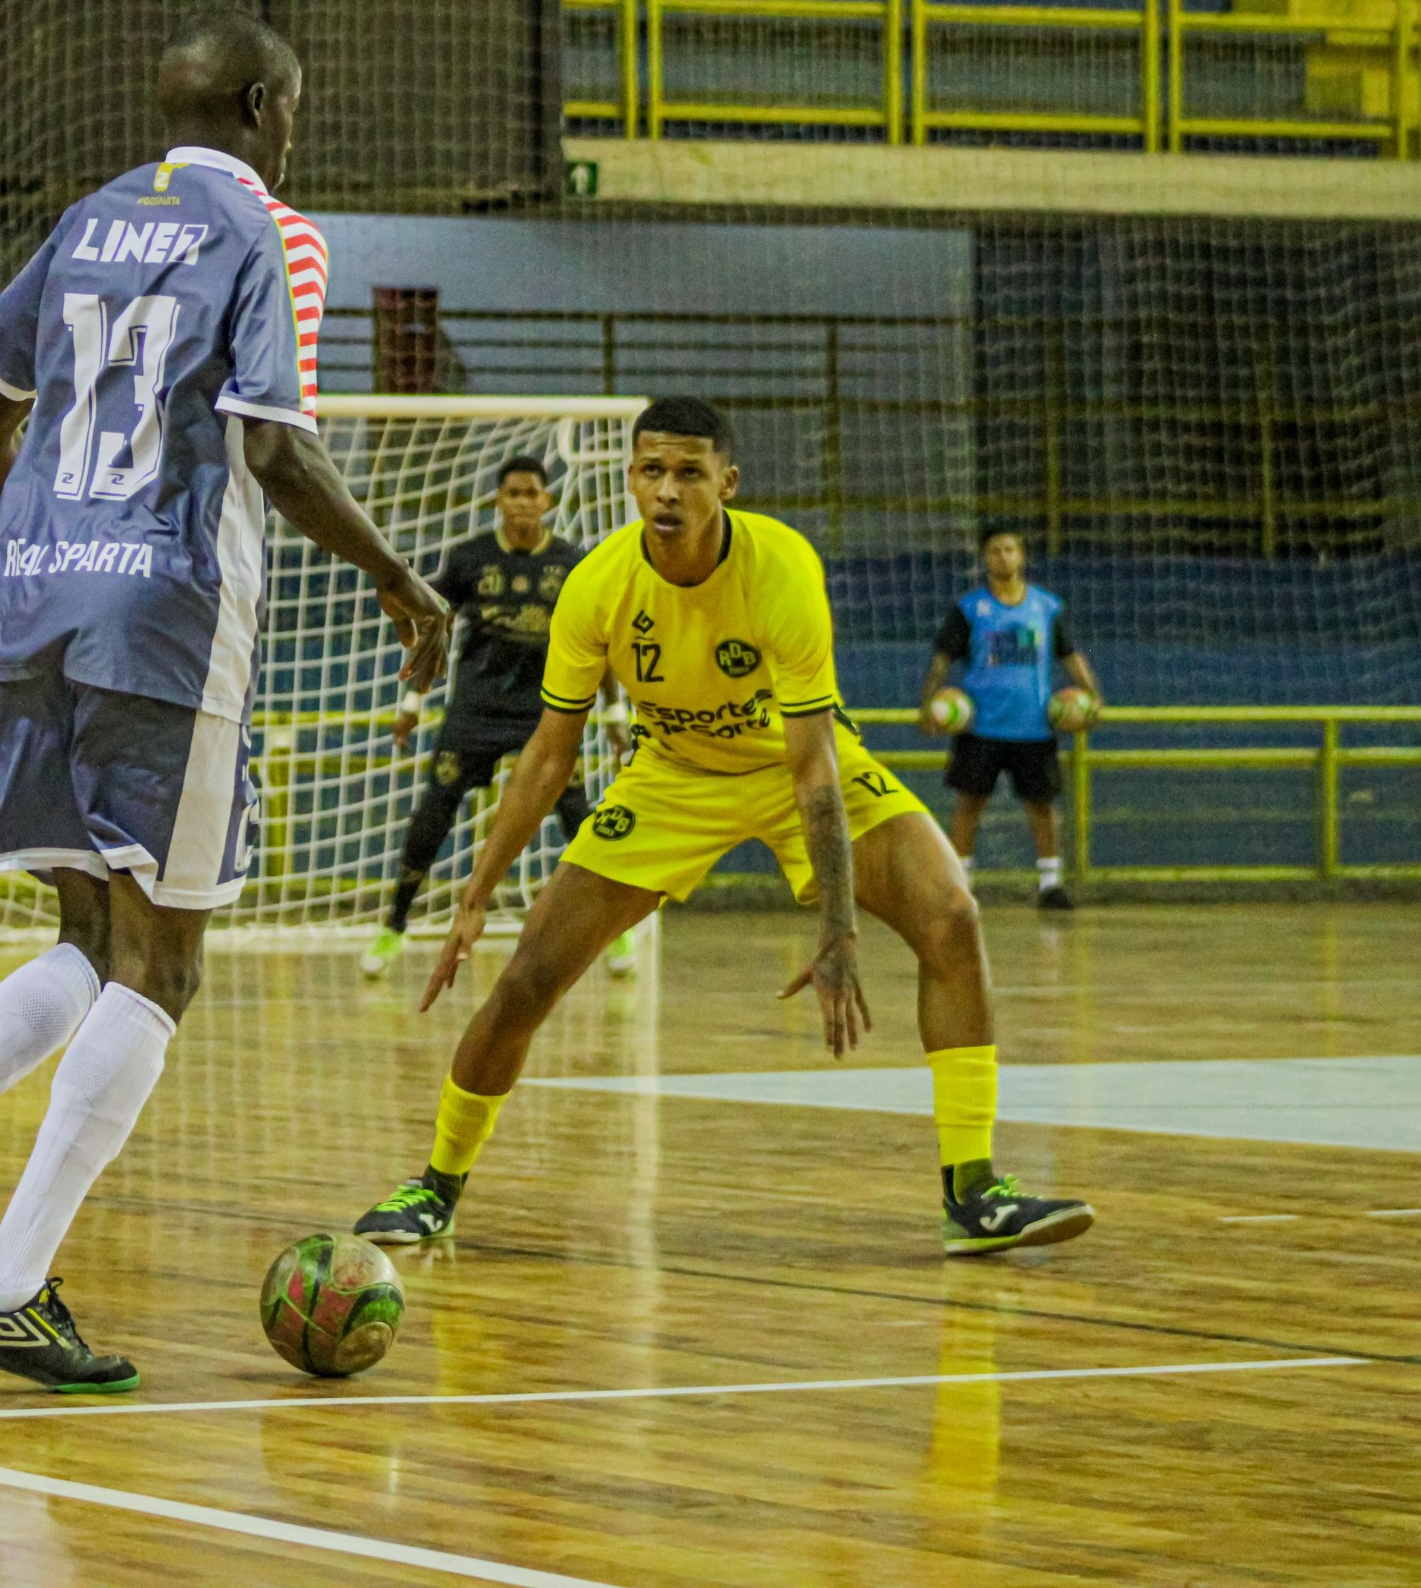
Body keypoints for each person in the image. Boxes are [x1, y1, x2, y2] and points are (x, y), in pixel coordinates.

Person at [0, 14, 453, 1392]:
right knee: (163, 964)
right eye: (296, 108)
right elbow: (272, 448)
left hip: (38, 601)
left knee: (95, 939)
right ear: (267, 106)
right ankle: (8, 1283)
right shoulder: (271, 233)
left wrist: (70, 535)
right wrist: (402, 580)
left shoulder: (83, 221)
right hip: (166, 624)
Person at [351, 398, 1093, 1259]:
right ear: (631, 478)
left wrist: (839, 923)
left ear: (726, 483)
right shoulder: (596, 584)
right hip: (673, 776)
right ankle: (434, 1187)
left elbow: (815, 766)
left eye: (689, 473)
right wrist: (476, 895)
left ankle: (974, 1191)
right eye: (651, 471)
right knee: (528, 979)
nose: (667, 491)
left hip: (795, 763)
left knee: (953, 920)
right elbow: (548, 757)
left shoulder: (781, 565)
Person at [360, 454, 637, 980]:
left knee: (579, 821)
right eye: (513, 494)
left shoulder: (573, 564)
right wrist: (412, 704)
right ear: (498, 502)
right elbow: (433, 629)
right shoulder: (470, 560)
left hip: (547, 715)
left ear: (548, 501)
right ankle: (394, 926)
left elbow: (596, 644)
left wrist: (616, 712)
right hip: (476, 711)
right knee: (432, 815)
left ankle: (616, 933)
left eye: (532, 493)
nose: (523, 503)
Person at [918, 526, 1103, 910]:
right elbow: (942, 659)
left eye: (1010, 550)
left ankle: (1050, 884)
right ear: (984, 559)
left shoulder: (1046, 607)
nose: (1003, 557)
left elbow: (1069, 655)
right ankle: (960, 884)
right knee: (969, 804)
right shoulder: (970, 608)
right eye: (995, 551)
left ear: (1022, 557)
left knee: (1041, 806)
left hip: (1033, 726)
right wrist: (927, 705)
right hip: (980, 726)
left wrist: (1093, 696)